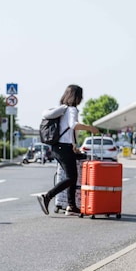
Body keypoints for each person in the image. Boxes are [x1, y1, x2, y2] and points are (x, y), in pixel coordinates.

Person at [37, 84, 99, 215]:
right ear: (77, 97)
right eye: (80, 96)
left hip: (59, 147)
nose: (81, 99)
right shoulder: (72, 109)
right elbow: (73, 125)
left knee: (72, 176)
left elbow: (67, 130)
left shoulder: (63, 110)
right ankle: (46, 197)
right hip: (63, 148)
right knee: (71, 177)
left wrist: (73, 145)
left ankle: (71, 206)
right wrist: (90, 128)